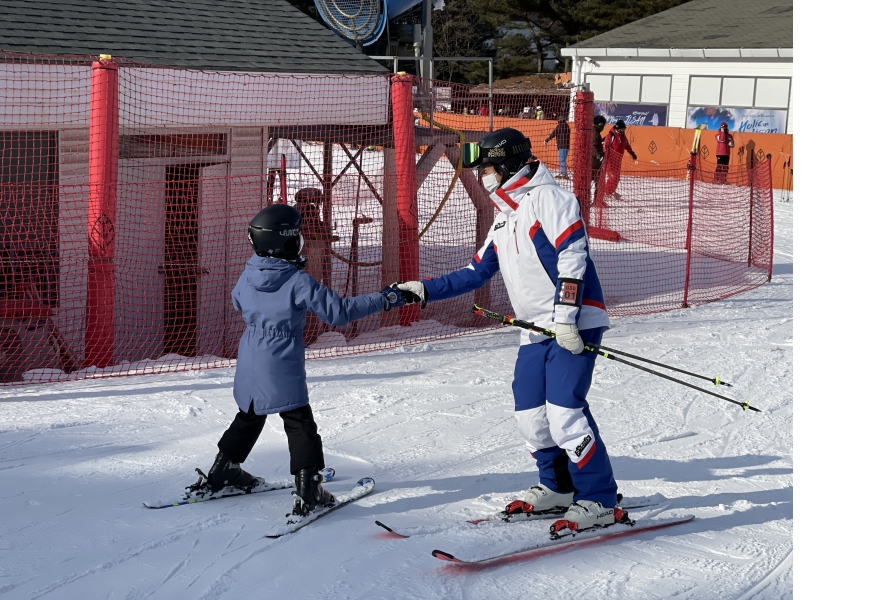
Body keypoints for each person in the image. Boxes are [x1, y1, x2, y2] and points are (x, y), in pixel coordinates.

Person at [392, 127, 622, 534]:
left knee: (565, 413)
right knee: (531, 417)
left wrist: (568, 317)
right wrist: (426, 289)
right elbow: (476, 271)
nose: (486, 175)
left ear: (510, 164)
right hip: (534, 328)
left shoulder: (551, 199)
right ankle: (558, 488)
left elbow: (573, 257)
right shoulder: (506, 216)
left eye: (490, 167)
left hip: (573, 322)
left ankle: (600, 499)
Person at [183, 204, 406, 518]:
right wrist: (385, 298)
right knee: (299, 421)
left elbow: (237, 300)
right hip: (280, 355)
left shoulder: (250, 271)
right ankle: (308, 490)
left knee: (250, 413)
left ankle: (223, 471)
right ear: (283, 242)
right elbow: (338, 312)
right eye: (295, 238)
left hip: (249, 353)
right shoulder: (296, 281)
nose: (299, 243)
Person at [599, 119, 637, 201]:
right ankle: (606, 192)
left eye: (624, 129)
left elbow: (626, 145)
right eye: (622, 129)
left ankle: (611, 191)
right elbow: (606, 147)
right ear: (617, 128)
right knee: (612, 177)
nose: (623, 131)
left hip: (618, 160)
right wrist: (605, 158)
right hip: (610, 160)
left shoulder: (623, 136)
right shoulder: (611, 135)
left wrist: (631, 153)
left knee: (617, 177)